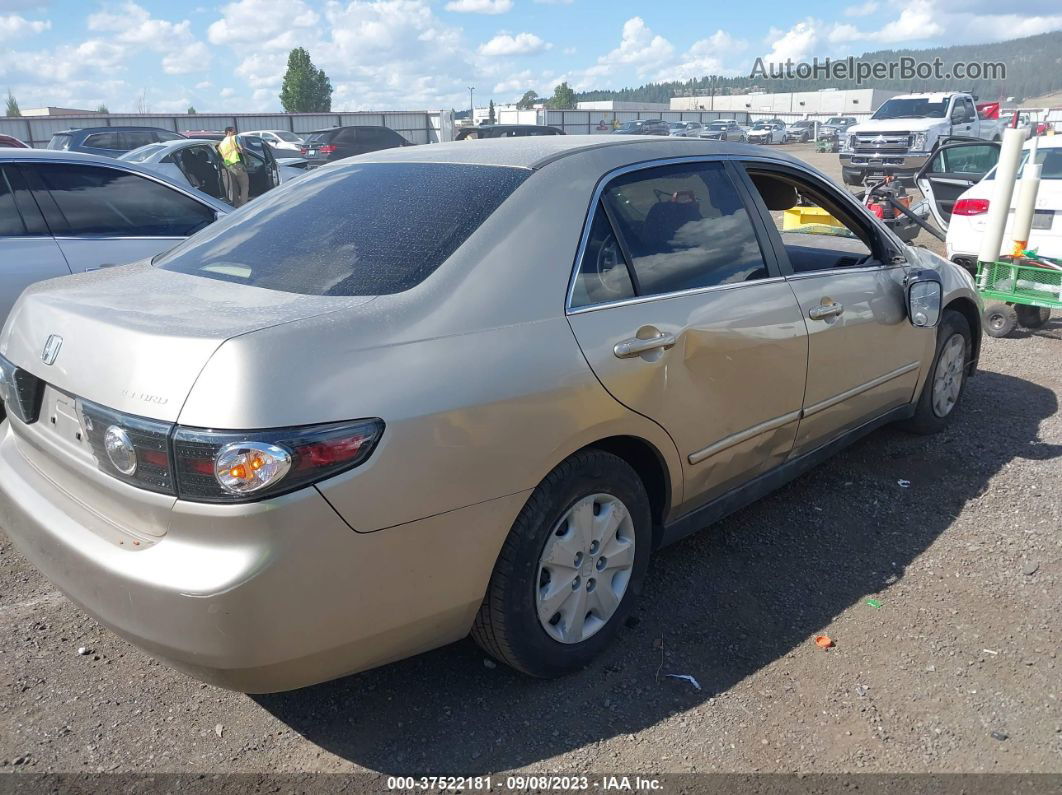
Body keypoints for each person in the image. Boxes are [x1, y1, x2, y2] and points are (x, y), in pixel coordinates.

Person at [217, 126, 249, 208]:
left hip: (229, 166)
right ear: (229, 132)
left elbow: (221, 157)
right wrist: (248, 159)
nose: (235, 133)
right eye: (234, 132)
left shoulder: (221, 144)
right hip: (238, 165)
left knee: (234, 187)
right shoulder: (234, 138)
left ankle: (236, 205)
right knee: (244, 186)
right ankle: (243, 205)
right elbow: (242, 149)